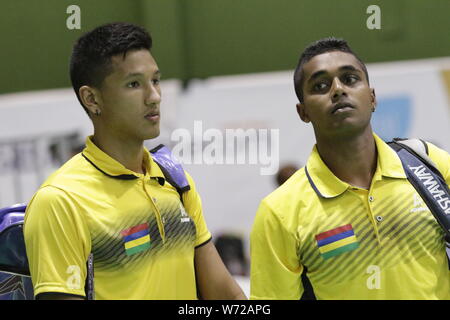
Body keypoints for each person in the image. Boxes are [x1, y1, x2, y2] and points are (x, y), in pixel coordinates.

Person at [23, 22, 246, 300]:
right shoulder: (60, 200)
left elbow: (226, 296)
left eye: (155, 80)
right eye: (134, 84)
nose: (154, 97)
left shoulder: (176, 181)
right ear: (91, 98)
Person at [250, 37, 450, 300]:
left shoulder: (429, 162)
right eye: (320, 85)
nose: (338, 89)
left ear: (372, 97)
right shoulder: (279, 212)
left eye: (350, 79)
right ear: (303, 112)